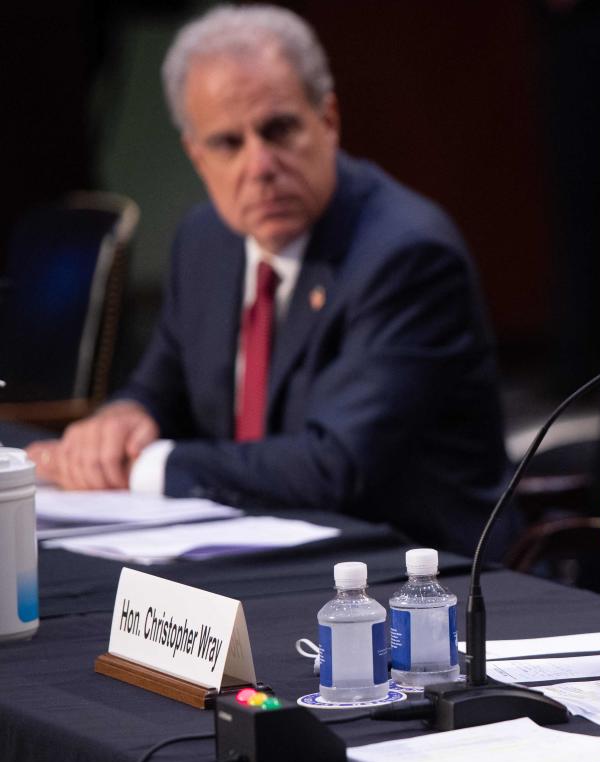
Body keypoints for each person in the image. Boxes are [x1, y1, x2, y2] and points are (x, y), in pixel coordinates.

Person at [26, 5, 515, 556]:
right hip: (260, 554)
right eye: (228, 143)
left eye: (278, 130)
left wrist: (146, 463)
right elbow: (160, 386)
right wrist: (123, 419)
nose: (259, 165)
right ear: (196, 156)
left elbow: (337, 466)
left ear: (327, 121)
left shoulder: (405, 255)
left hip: (416, 575)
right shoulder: (205, 241)